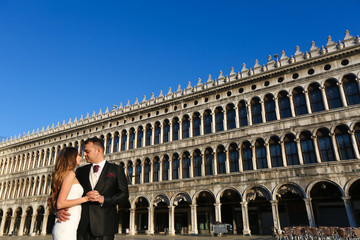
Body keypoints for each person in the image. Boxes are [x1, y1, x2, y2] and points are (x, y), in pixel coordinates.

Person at [57, 137, 129, 240]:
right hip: (81, 227)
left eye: (87, 151)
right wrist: (58, 210)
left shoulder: (116, 169)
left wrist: (103, 199)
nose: (84, 155)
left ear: (98, 151)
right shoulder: (80, 171)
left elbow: (124, 195)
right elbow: (65, 192)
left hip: (103, 228)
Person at [48, 147, 89, 240]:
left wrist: (56, 211)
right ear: (71, 157)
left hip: (67, 227)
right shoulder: (70, 174)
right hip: (66, 229)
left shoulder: (67, 174)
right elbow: (60, 203)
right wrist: (85, 199)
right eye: (78, 155)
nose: (81, 157)